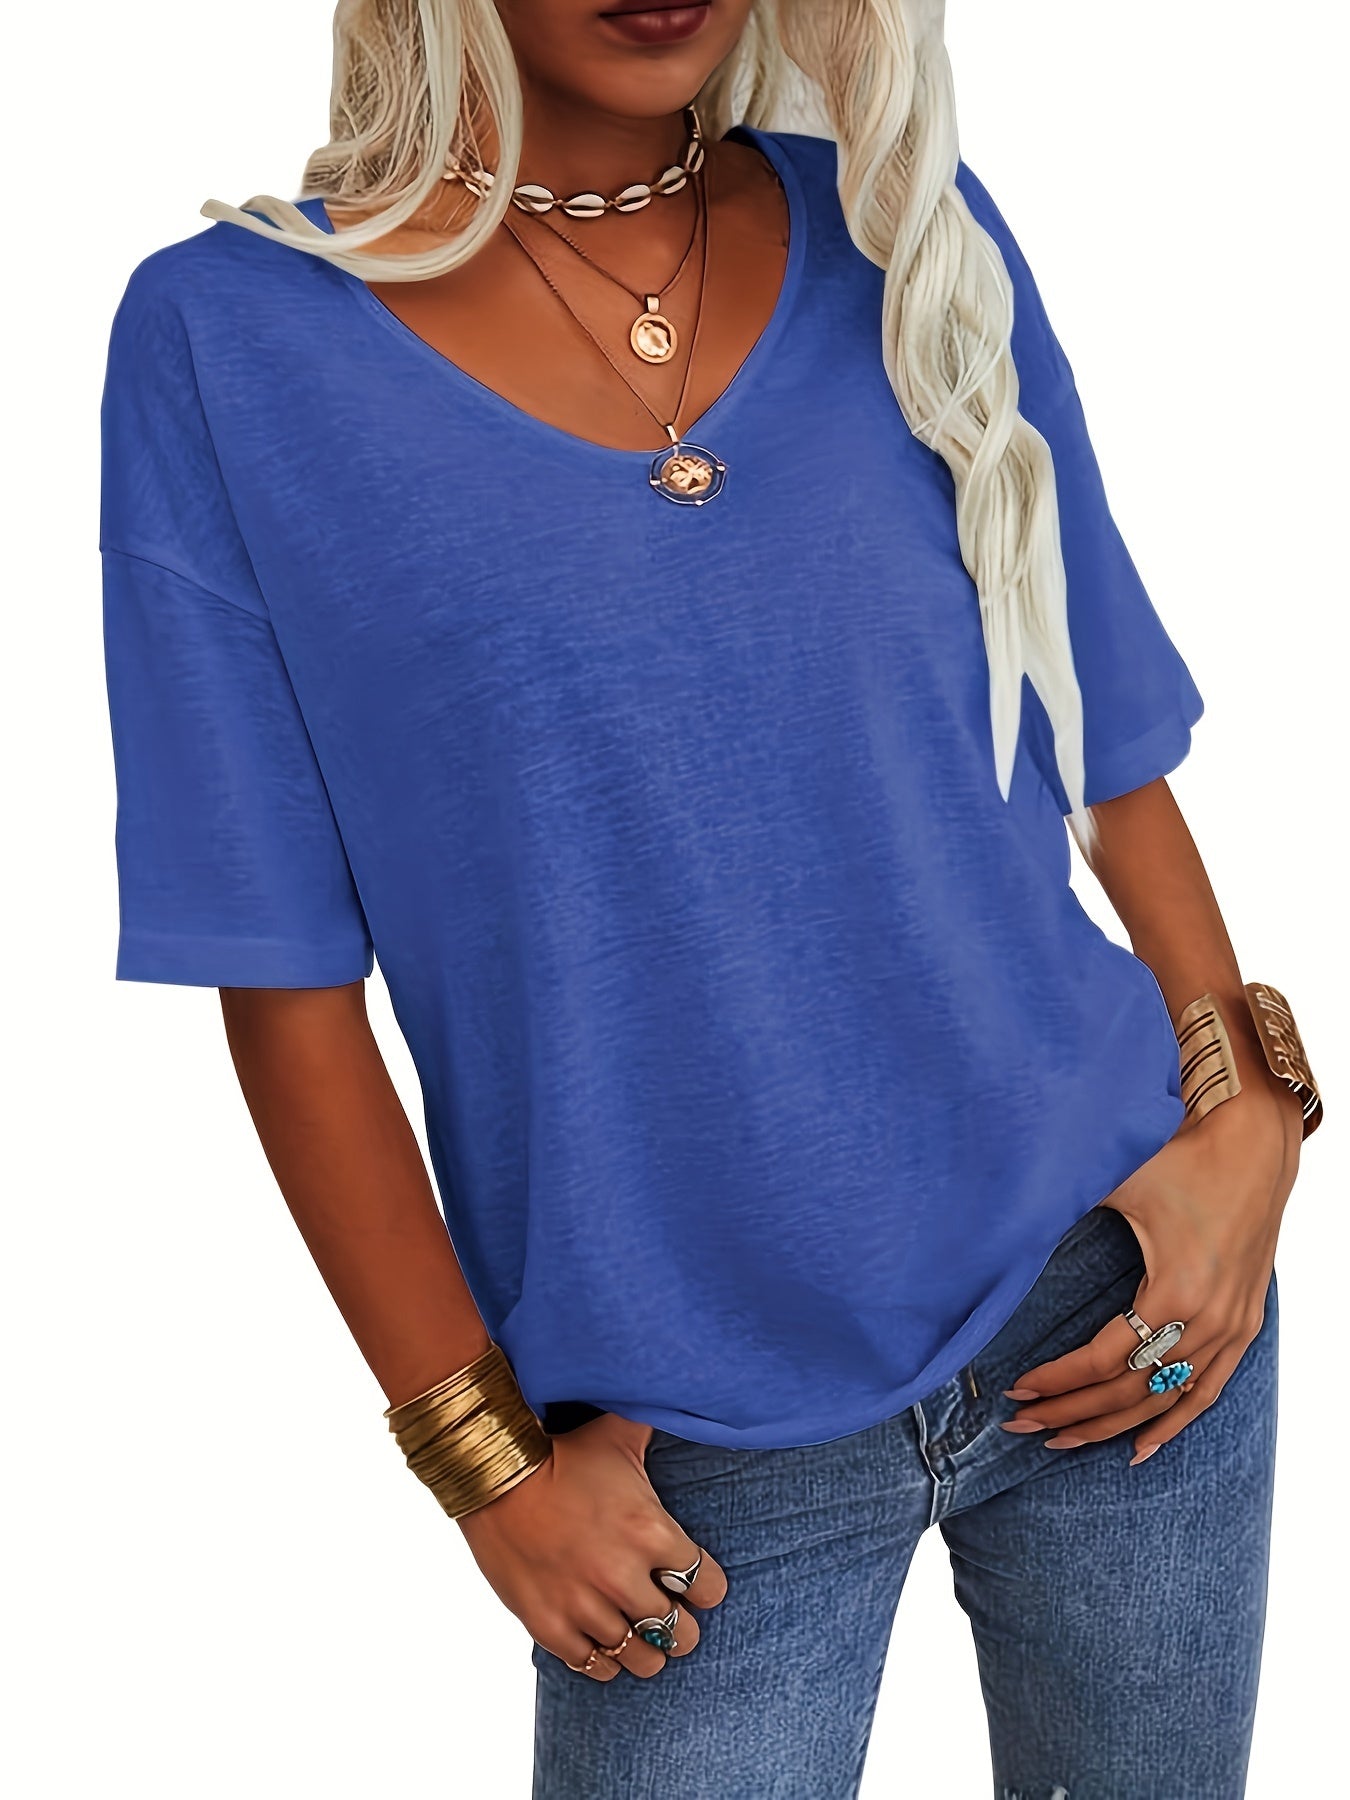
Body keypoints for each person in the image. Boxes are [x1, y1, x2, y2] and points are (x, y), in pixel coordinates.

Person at [98, 2, 1322, 1795]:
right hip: (680, 1444)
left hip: (1118, 1306)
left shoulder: (900, 230)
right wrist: (482, 1466)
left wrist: (1247, 1113)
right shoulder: (230, 338)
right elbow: (276, 968)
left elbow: (1103, 734)